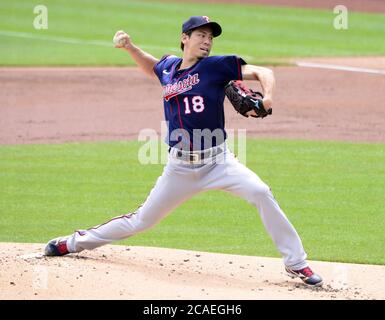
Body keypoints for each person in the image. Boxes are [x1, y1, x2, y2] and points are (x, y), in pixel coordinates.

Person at [45, 16, 323, 287]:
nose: (207, 41)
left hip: (218, 162)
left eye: (210, 37)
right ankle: (71, 243)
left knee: (261, 192)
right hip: (179, 168)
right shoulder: (169, 67)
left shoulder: (217, 66)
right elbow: (154, 68)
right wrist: (130, 48)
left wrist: (269, 95)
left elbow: (265, 72)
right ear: (184, 38)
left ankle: (296, 262)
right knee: (141, 221)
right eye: (201, 35)